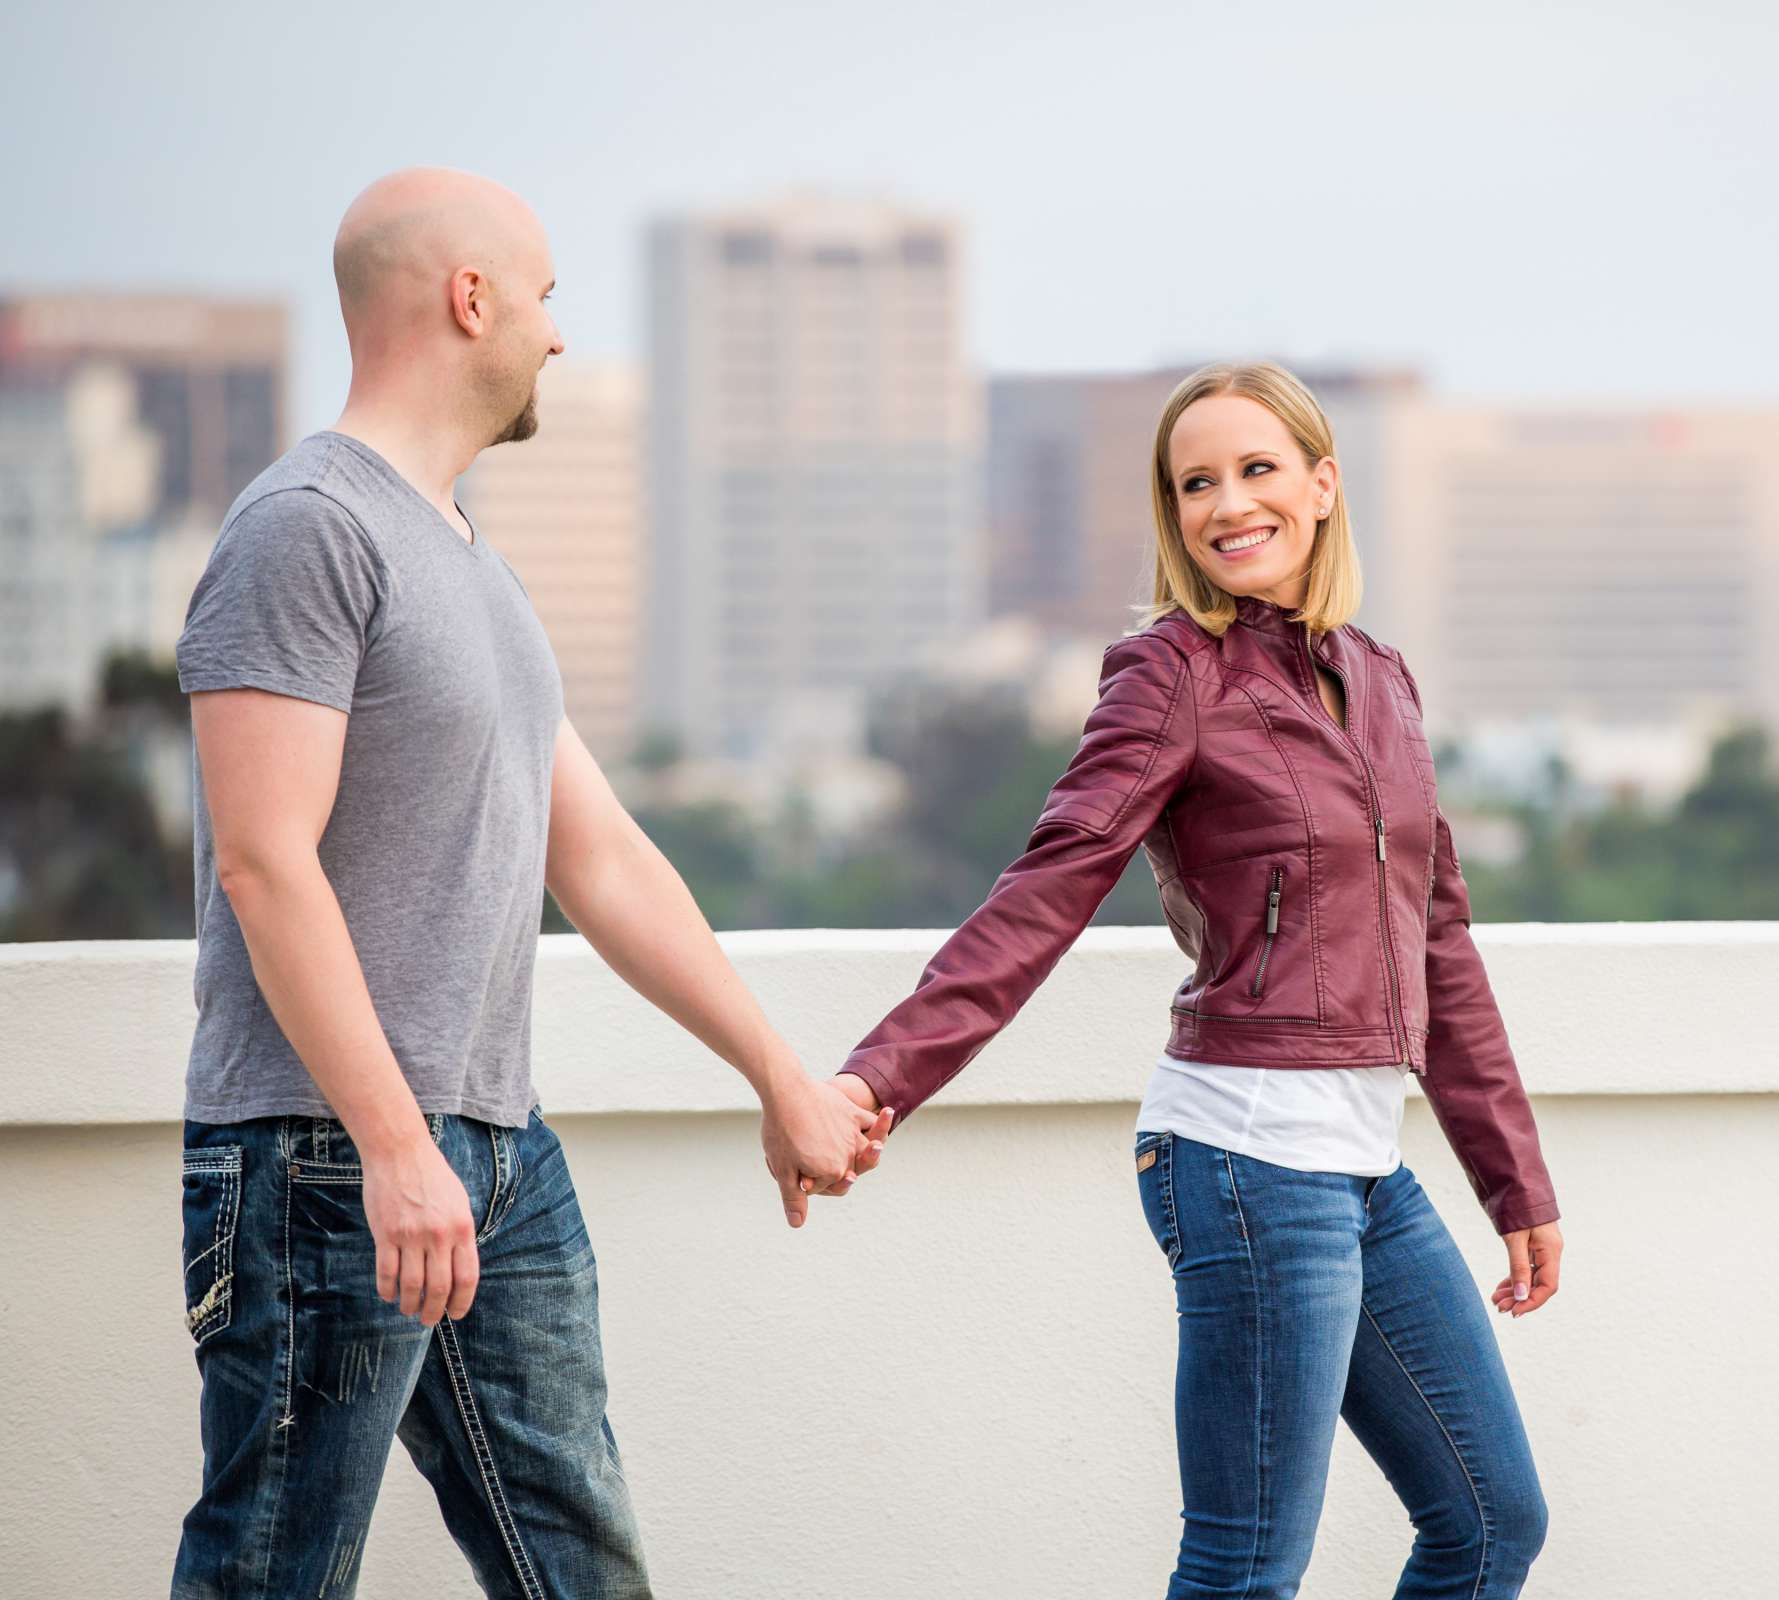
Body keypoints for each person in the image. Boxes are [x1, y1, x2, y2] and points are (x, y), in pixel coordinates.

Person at [171, 167, 888, 1598]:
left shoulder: (470, 566)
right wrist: (390, 1146)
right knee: (271, 1573)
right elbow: (263, 860)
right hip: (325, 1158)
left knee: (582, 1569)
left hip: (499, 1153)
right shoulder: (307, 526)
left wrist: (780, 1075)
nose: (559, 336)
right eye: (547, 297)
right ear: (471, 296)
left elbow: (603, 858)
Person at [835, 362, 1561, 1597]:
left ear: (1324, 485)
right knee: (1245, 1567)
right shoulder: (1171, 672)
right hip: (1246, 1156)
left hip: (1364, 1163)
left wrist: (1514, 1177)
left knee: (1492, 1524)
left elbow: (1439, 940)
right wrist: (877, 1079)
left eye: (1259, 469)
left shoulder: (1378, 678)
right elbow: (1050, 884)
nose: (1230, 504)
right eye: (1196, 484)